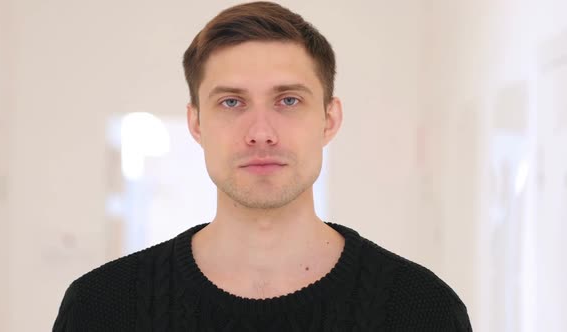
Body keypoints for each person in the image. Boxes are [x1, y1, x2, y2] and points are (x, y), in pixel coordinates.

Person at [53, 1, 472, 331]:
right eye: (231, 102)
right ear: (196, 123)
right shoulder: (101, 308)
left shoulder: (421, 311)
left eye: (288, 100)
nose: (261, 132)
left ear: (329, 119)